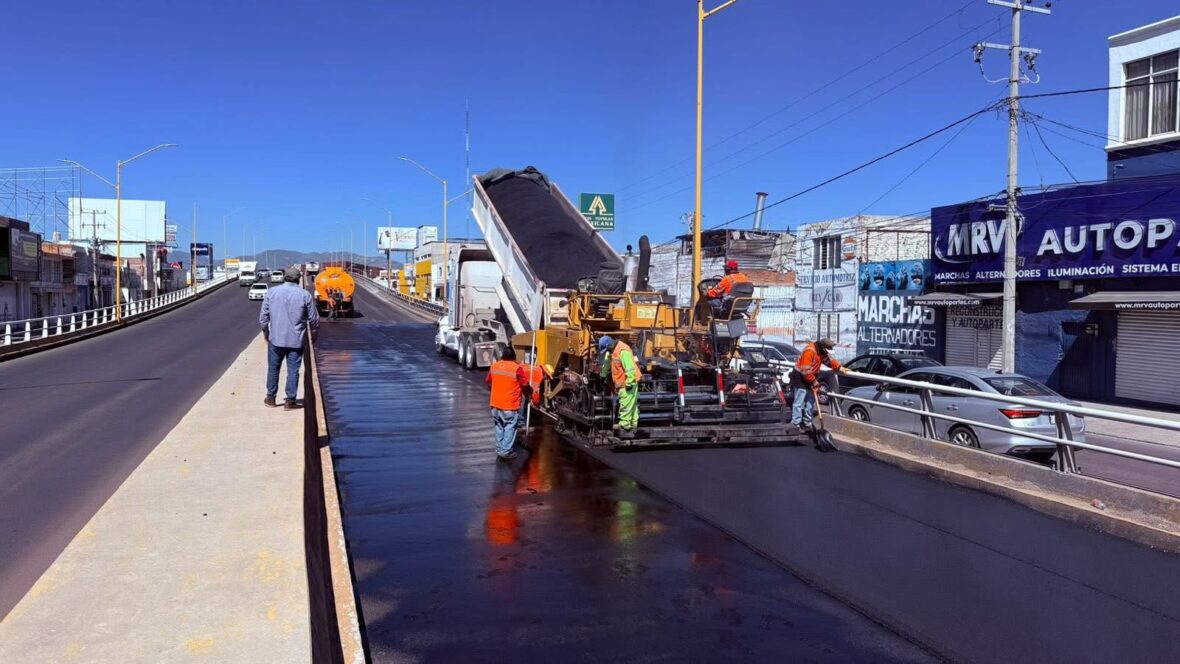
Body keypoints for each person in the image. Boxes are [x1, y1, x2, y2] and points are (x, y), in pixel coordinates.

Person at [260, 266, 319, 410]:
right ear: (299, 279)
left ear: (284, 277)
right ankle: (290, 401)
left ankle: (270, 398)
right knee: (293, 370)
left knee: (273, 368)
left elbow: (263, 318)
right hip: (296, 341)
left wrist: (266, 334)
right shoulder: (305, 295)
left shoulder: (272, 292)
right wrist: (314, 334)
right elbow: (314, 319)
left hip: (276, 339)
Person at [790, 338, 848, 428]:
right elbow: (805, 370)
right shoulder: (810, 351)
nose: (827, 353)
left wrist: (840, 368)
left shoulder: (822, 352)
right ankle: (795, 423)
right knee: (799, 400)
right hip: (800, 376)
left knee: (810, 401)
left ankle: (807, 422)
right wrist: (813, 381)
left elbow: (829, 361)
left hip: (810, 376)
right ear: (823, 347)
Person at [486, 347, 529, 461]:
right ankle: (505, 451)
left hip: (495, 404)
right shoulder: (517, 368)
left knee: (499, 426)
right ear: (513, 357)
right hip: (509, 405)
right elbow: (524, 384)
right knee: (510, 426)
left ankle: (500, 448)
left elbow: (488, 381)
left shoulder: (494, 366)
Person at [598, 336, 641, 437]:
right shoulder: (611, 350)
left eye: (606, 349)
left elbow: (630, 368)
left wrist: (629, 383)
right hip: (624, 382)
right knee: (632, 406)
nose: (606, 351)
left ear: (609, 345)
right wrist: (603, 375)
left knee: (626, 406)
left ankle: (625, 428)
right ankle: (634, 428)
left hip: (627, 383)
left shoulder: (623, 350)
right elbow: (607, 363)